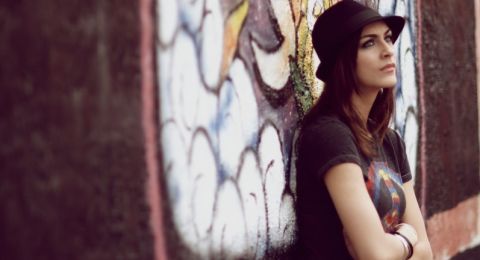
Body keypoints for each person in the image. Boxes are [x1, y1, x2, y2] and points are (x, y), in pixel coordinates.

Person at [295, 1, 433, 259]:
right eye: (369, 43)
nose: (388, 51)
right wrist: (406, 238)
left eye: (388, 39)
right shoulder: (330, 135)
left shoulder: (390, 141)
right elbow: (376, 254)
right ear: (343, 61)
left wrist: (400, 246)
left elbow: (427, 252)